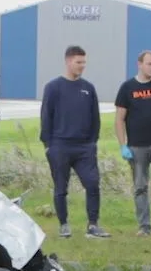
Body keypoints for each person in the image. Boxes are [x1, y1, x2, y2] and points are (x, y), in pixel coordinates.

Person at [39, 45, 108, 239]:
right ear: (68, 61)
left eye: (84, 62)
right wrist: (49, 145)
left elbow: (95, 117)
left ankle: (93, 224)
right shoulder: (53, 87)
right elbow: (46, 117)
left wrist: (92, 142)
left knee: (93, 184)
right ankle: (64, 224)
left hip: (84, 147)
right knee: (61, 187)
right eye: (78, 62)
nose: (82, 66)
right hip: (60, 145)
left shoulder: (88, 88)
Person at [114, 50, 151, 236]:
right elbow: (119, 119)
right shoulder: (127, 88)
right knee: (140, 187)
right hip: (137, 147)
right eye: (149, 64)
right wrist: (123, 144)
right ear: (140, 64)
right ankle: (144, 227)